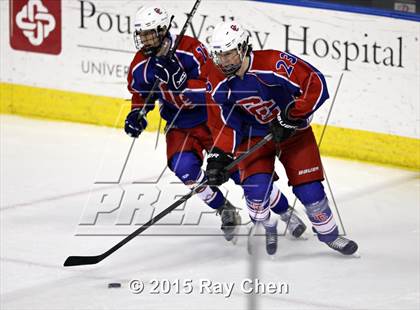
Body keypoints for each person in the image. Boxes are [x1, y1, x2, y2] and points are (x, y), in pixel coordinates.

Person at [205, 21, 358, 255]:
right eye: (219, 55)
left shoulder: (272, 63)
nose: (224, 61)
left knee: (311, 193)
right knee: (256, 195)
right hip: (255, 137)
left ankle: (330, 236)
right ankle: (270, 223)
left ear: (244, 48)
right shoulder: (219, 81)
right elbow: (226, 122)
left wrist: (292, 116)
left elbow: (315, 82)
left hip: (294, 134)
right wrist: (219, 156)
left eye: (229, 54)